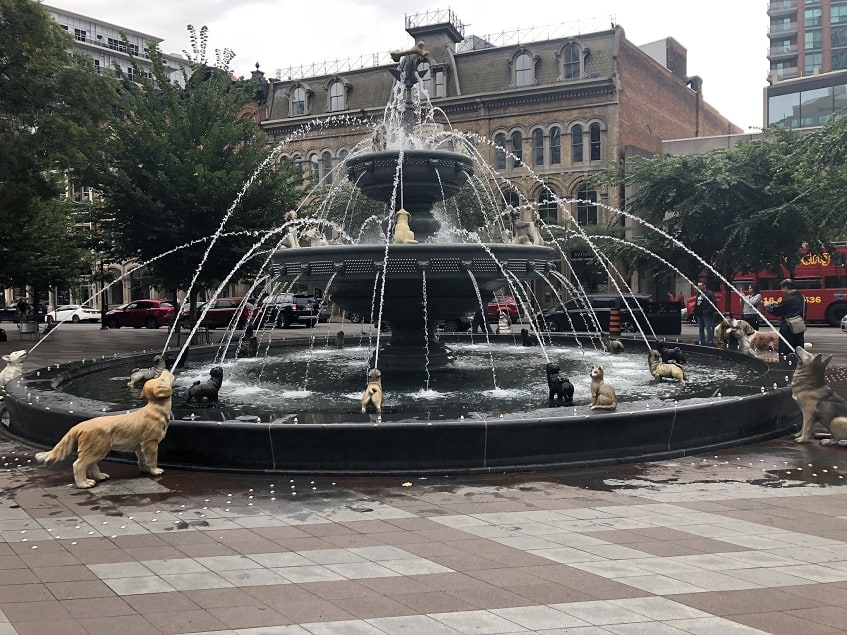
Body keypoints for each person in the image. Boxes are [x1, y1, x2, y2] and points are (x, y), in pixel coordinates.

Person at [765, 278, 805, 369]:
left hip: (788, 328)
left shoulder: (788, 299)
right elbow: (789, 308)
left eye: (782, 288)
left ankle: (786, 370)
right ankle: (799, 369)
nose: (781, 290)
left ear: (786, 287)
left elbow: (776, 312)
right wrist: (777, 304)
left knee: (785, 351)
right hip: (799, 326)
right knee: (799, 350)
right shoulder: (801, 297)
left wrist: (768, 306)